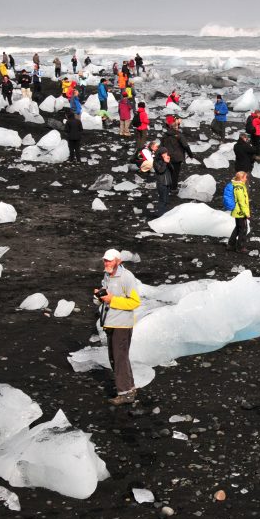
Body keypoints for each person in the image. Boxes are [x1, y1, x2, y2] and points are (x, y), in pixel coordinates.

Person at [94, 249, 142, 405]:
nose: (106, 263)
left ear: (118, 261)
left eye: (110, 260)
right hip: (110, 322)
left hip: (122, 324)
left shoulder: (127, 277)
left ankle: (125, 393)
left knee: (119, 358)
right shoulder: (107, 275)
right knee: (117, 358)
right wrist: (99, 297)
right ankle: (130, 388)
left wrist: (111, 300)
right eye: (105, 260)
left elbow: (135, 302)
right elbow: (105, 298)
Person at [161, 119, 191, 192]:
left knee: (169, 172)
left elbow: (161, 146)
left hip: (167, 156)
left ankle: (167, 187)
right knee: (175, 173)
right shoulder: (179, 135)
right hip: (177, 157)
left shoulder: (165, 135)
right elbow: (185, 145)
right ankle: (173, 188)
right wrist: (190, 154)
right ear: (176, 127)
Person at [226, 171, 251, 252]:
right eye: (245, 177)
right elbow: (242, 202)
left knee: (238, 228)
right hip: (240, 212)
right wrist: (246, 213)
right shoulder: (239, 188)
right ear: (241, 178)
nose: (246, 179)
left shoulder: (236, 186)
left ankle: (231, 244)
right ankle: (240, 247)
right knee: (243, 229)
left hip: (236, 211)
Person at [153, 148, 172, 216]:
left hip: (168, 183)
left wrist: (168, 162)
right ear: (160, 154)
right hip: (161, 183)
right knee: (162, 200)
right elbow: (160, 171)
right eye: (164, 153)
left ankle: (165, 214)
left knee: (166, 200)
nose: (166, 154)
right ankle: (160, 214)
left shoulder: (165, 161)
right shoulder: (156, 162)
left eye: (166, 153)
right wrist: (165, 162)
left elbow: (172, 169)